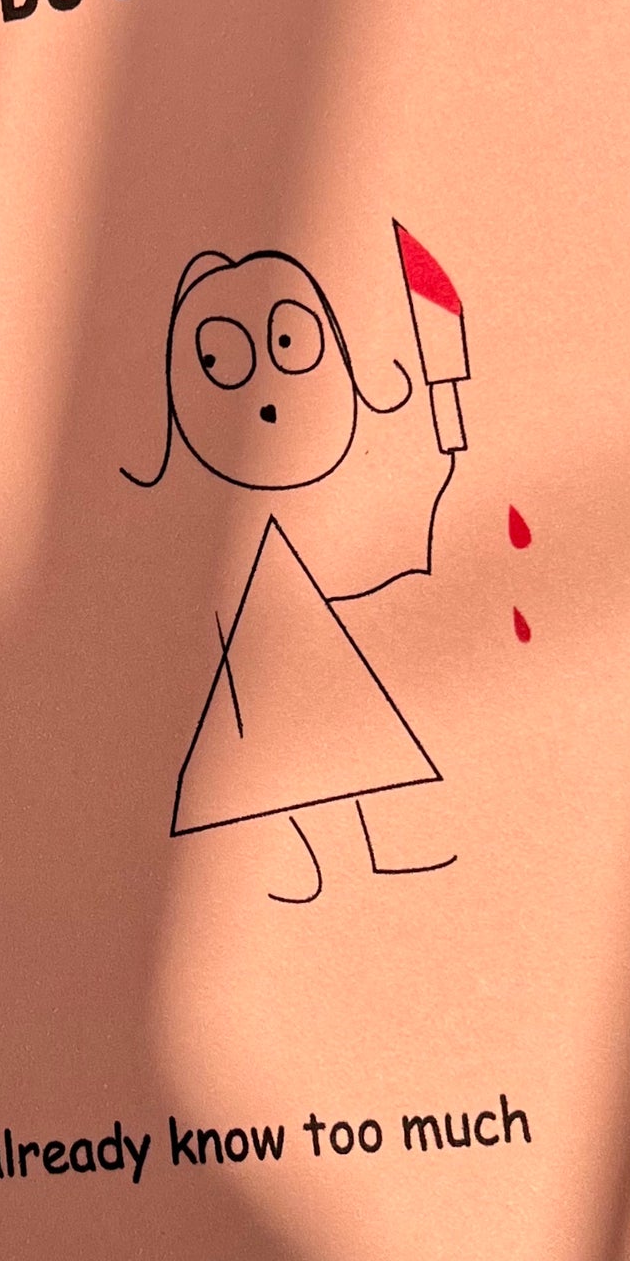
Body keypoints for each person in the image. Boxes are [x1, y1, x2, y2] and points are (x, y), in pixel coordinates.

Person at [124, 246, 463, 898]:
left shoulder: (332, 509)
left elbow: (369, 572)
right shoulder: (217, 537)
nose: (267, 395)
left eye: (289, 345)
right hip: (256, 714)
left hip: (316, 695)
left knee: (339, 759)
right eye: (219, 363)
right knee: (284, 770)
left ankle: (357, 848)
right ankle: (309, 855)